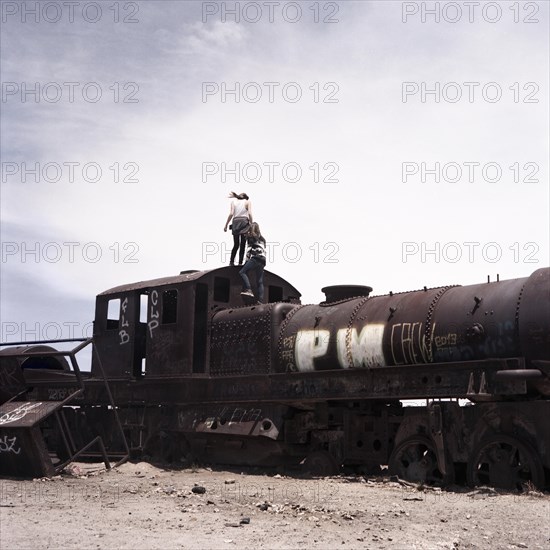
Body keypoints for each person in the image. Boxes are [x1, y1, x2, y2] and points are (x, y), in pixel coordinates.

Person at [239, 222, 266, 303]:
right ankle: (261, 301)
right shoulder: (263, 239)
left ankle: (249, 289)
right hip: (263, 260)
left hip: (255, 258)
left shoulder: (251, 237)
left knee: (242, 272)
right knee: (259, 281)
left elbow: (248, 251)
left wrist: (246, 262)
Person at [224, 192, 252, 266]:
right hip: (244, 222)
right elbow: (249, 213)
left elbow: (231, 213)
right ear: (246, 197)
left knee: (236, 244)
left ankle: (231, 262)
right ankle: (240, 263)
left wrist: (226, 225)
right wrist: (251, 224)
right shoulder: (247, 202)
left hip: (235, 222)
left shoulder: (233, 202)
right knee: (243, 244)